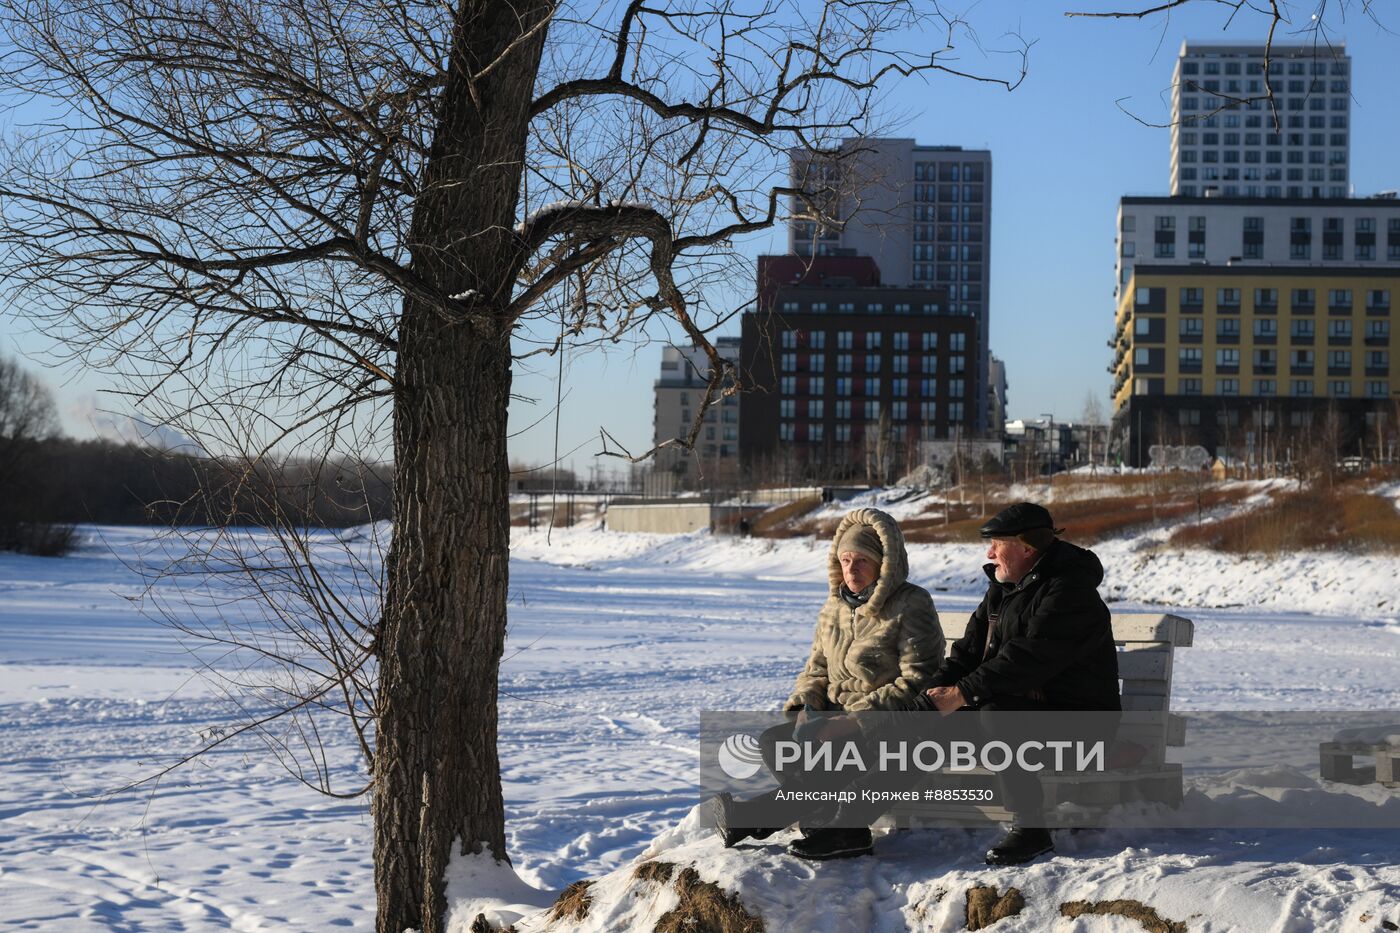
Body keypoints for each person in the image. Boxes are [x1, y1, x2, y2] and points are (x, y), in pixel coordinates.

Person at [711, 507, 945, 859]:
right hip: (834, 713)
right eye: (845, 559)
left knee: (835, 753)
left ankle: (754, 818)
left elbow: (919, 678)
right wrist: (806, 708)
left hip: (886, 720)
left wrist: (853, 720)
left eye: (862, 561)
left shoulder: (911, 603)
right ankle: (825, 823)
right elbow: (816, 668)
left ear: (884, 564)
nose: (851, 569)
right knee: (776, 740)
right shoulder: (833, 607)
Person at [921, 501, 1120, 865]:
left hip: (1082, 726)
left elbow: (1026, 661)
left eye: (997, 543)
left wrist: (962, 694)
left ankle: (1031, 829)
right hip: (1020, 714)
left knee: (998, 714)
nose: (989, 552)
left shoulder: (1070, 591)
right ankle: (847, 822)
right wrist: (931, 697)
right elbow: (965, 655)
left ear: (1027, 547)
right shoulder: (1003, 589)